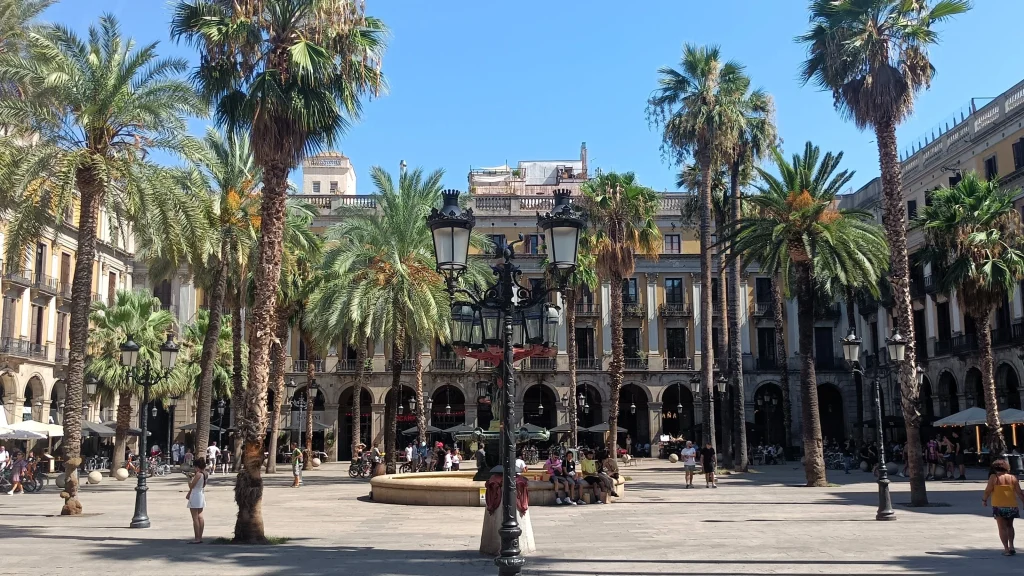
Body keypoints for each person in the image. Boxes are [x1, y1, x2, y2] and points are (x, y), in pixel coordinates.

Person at [982, 459, 1024, 556]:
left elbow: (988, 490)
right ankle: (1012, 546)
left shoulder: (994, 477)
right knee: (1010, 526)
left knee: (1002, 528)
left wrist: (984, 500)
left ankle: (1006, 549)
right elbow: (1020, 493)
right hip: (1012, 505)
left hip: (999, 506)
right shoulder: (1013, 478)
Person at [184, 456, 210, 543]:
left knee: (195, 518)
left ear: (197, 467)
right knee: (200, 517)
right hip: (201, 494)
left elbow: (191, 486)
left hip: (195, 495)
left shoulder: (198, 474)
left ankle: (197, 538)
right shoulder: (205, 474)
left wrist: (188, 479)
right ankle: (200, 537)